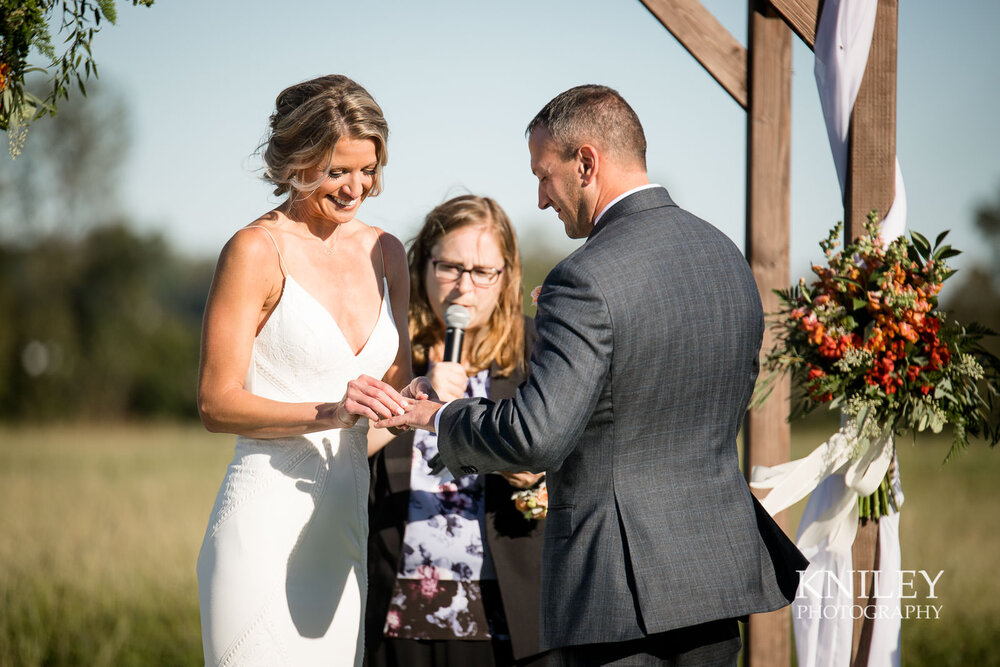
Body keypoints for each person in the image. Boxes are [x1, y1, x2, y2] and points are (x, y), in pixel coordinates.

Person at [375, 85, 809, 665]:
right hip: (715, 577)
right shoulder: (724, 255)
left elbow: (538, 435)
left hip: (616, 591)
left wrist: (443, 415)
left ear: (585, 162)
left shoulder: (583, 278)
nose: (540, 199)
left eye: (544, 175)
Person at [196, 74, 418, 667]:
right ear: (296, 161)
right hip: (263, 527)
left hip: (345, 535)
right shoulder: (255, 249)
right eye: (336, 171)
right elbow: (216, 404)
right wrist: (332, 411)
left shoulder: (387, 253)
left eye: (367, 170)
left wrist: (413, 408)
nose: (356, 189)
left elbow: (387, 403)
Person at [366, 195, 548, 667]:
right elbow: (340, 449)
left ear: (506, 275)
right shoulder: (386, 349)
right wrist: (411, 398)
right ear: (422, 262)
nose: (464, 288)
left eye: (483, 271)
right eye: (450, 266)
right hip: (396, 614)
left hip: (509, 614)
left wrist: (536, 480)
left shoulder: (540, 351)